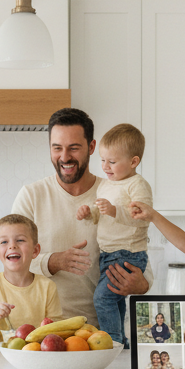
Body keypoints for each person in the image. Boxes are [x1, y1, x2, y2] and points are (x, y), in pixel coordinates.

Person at [12, 108, 151, 327]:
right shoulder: (31, 196)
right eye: (57, 148)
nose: (65, 157)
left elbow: (137, 248)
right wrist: (54, 261)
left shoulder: (113, 192)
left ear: (92, 147)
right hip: (40, 329)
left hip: (96, 332)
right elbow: (13, 260)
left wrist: (142, 284)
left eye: (74, 148)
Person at [75, 124, 152, 347]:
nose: (105, 167)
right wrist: (90, 213)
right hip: (108, 254)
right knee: (116, 300)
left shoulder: (138, 185)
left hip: (128, 253)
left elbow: (142, 215)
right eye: (102, 160)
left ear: (133, 162)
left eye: (112, 161)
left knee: (103, 298)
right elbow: (102, 215)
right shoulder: (107, 185)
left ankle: (112, 343)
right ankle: (122, 344)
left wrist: (115, 210)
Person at [0, 214, 61, 349]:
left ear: (35, 250)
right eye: (4, 242)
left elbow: (55, 332)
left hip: (35, 362)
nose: (12, 246)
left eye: (20, 240)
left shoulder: (47, 287)